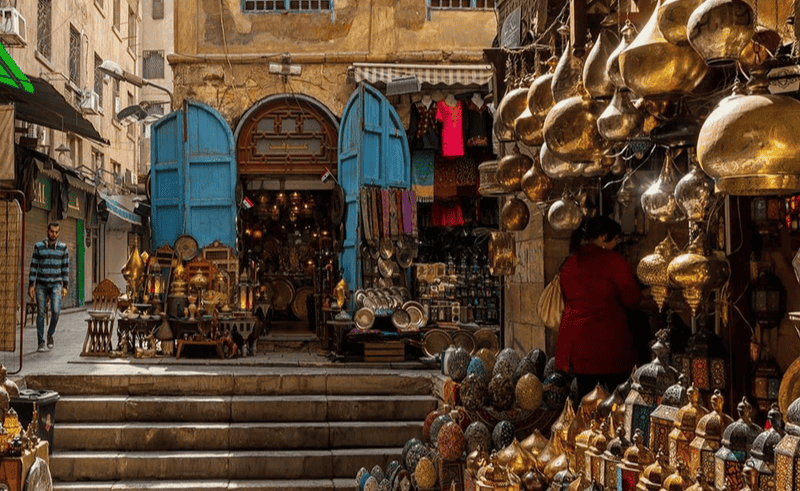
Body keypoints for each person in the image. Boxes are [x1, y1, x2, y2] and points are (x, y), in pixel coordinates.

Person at [555, 215, 643, 401]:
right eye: (615, 239)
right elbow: (632, 298)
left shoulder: (569, 264)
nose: (616, 244)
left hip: (578, 345)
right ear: (603, 237)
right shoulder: (614, 262)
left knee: (587, 401)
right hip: (609, 344)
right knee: (617, 401)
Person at [28, 222, 70, 352]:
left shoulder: (63, 248)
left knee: (56, 311)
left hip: (56, 284)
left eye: (57, 232)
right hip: (41, 283)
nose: (54, 234)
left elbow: (65, 268)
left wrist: (65, 285)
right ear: (47, 231)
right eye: (52, 231)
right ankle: (41, 342)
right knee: (40, 313)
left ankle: (50, 334)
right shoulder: (39, 247)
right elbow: (34, 266)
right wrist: (31, 285)